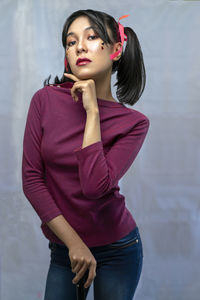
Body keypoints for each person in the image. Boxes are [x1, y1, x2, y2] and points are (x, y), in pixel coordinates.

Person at [22, 8, 150, 300]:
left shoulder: (134, 123)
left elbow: (94, 187)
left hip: (118, 249)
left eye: (92, 37)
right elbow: (32, 181)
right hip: (65, 249)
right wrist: (74, 245)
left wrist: (92, 112)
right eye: (70, 41)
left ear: (116, 49)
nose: (79, 46)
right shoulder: (44, 100)